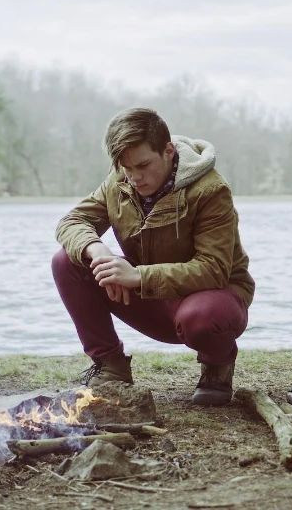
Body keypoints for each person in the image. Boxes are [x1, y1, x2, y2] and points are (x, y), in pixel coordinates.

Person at [52, 107, 254, 405]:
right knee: (67, 261)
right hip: (153, 297)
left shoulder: (211, 190)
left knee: (201, 318)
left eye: (143, 165)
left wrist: (137, 276)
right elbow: (71, 223)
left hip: (210, 300)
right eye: (126, 167)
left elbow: (214, 269)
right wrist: (98, 251)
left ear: (168, 151)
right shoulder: (118, 181)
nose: (135, 177)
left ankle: (217, 363)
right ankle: (111, 366)